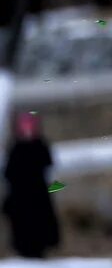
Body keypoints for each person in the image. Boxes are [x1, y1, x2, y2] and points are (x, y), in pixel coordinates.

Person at [2, 111, 60, 259]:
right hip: (21, 196)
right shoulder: (15, 147)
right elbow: (8, 172)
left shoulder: (40, 145)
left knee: (40, 224)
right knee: (23, 226)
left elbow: (49, 165)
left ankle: (40, 249)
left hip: (38, 194)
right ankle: (24, 251)